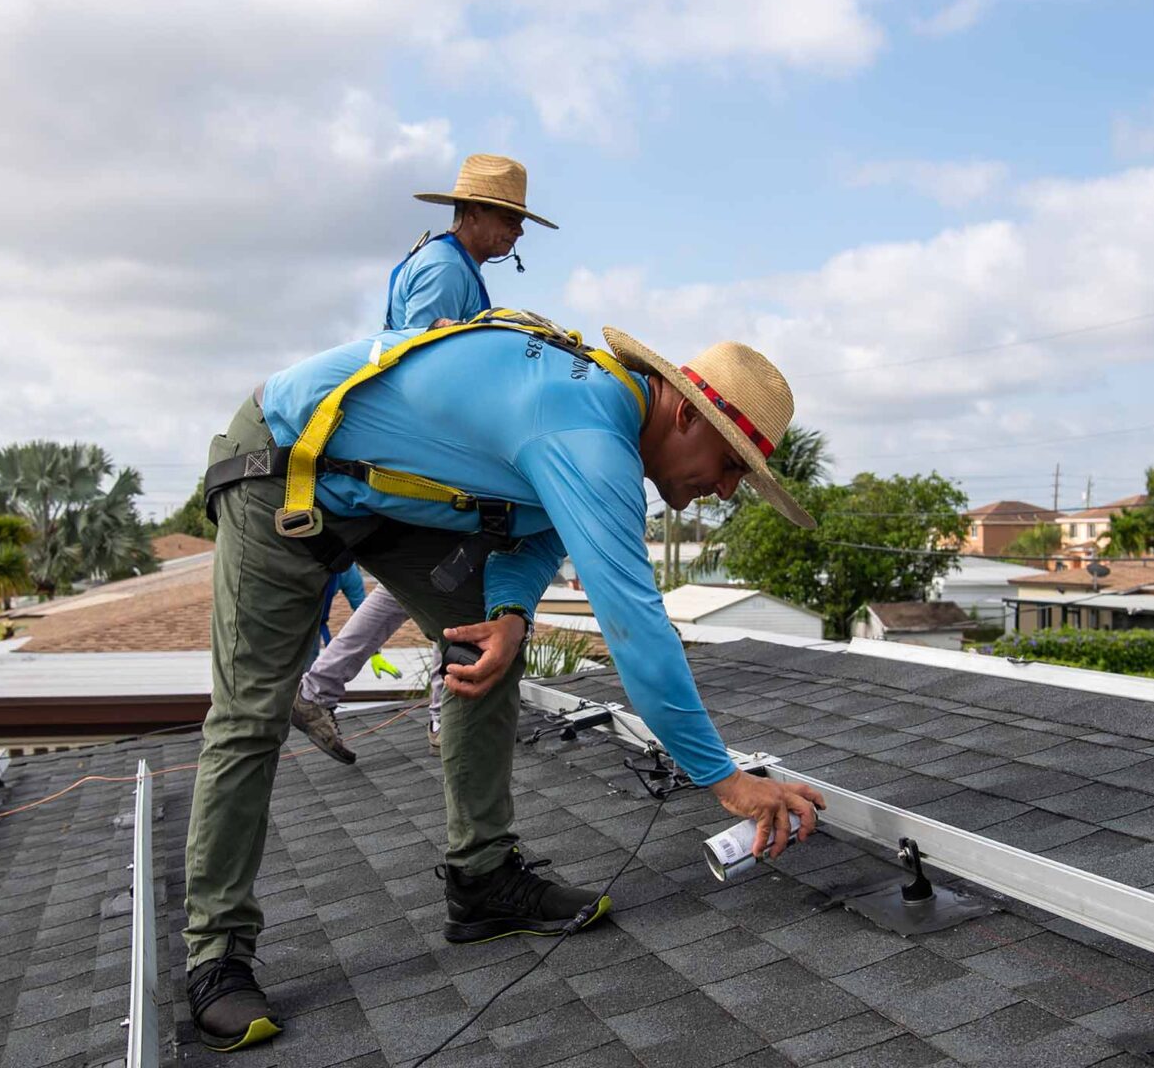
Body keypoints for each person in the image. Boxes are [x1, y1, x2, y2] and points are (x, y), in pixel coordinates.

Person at [181, 310, 828, 1052]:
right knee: (251, 715)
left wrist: (513, 609)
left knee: (481, 640)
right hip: (281, 469)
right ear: (685, 412)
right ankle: (217, 950)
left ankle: (481, 880)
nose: (725, 489)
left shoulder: (603, 422)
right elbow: (636, 630)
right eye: (731, 463)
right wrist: (725, 779)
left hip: (382, 495)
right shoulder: (586, 433)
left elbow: (533, 528)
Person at [291, 153, 556, 761]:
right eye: (511, 219)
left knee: (432, 583)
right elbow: (416, 380)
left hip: (414, 452)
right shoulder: (443, 270)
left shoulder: (448, 262)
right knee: (462, 580)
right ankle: (439, 714)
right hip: (418, 456)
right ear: (476, 212)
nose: (517, 233)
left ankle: (322, 689)